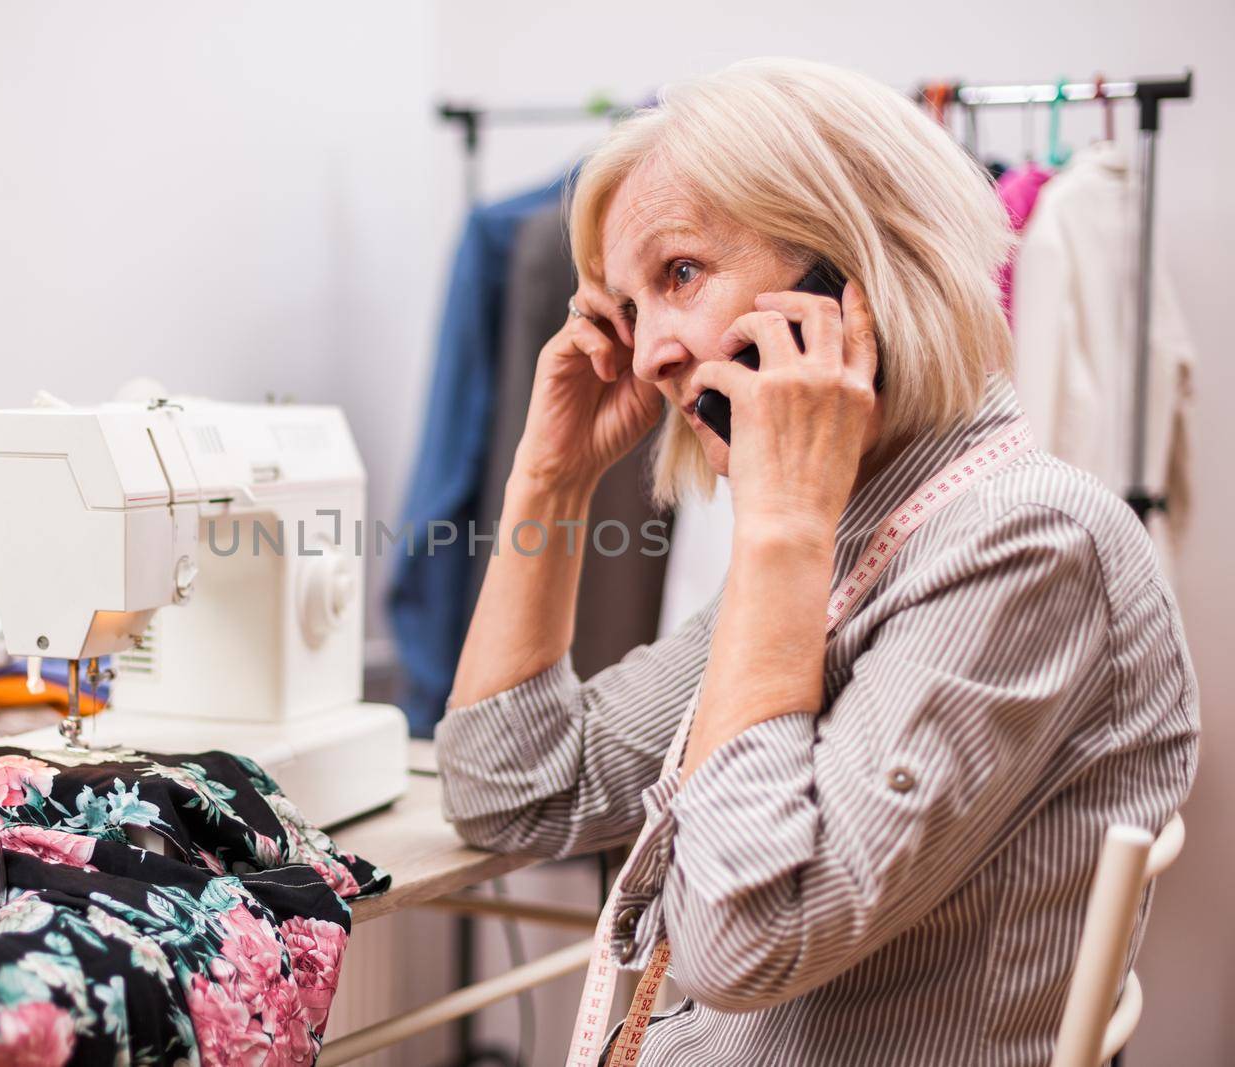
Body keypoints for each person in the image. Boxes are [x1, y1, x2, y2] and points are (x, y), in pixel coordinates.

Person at [434, 58, 1198, 1066]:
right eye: (631, 305)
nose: (652, 352)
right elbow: (511, 785)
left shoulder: (1027, 544)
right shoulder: (850, 535)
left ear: (847, 281)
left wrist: (780, 531)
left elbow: (738, 938)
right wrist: (549, 478)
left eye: (680, 275)